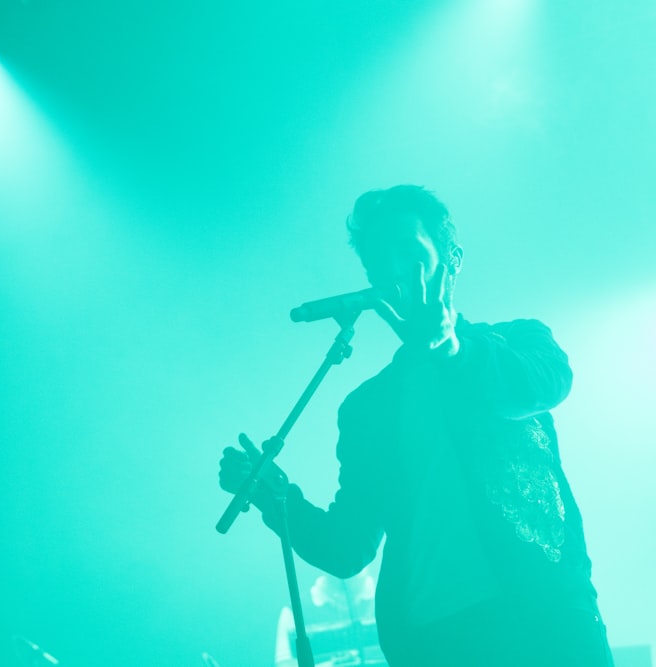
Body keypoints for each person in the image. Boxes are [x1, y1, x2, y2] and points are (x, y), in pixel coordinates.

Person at [219, 185, 614, 667]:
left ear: (453, 258)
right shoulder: (368, 408)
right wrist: (276, 498)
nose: (396, 272)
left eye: (409, 252)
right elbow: (348, 547)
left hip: (546, 625)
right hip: (436, 642)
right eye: (379, 262)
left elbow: (543, 386)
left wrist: (449, 347)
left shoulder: (518, 341)